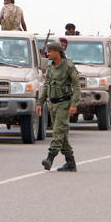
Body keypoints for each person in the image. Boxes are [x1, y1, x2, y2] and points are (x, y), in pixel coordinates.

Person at [36, 41, 81, 172]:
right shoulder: (50, 68)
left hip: (64, 103)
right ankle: (70, 162)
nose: (47, 54)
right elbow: (46, 86)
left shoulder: (68, 66)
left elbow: (77, 86)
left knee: (57, 132)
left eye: (50, 51)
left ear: (57, 52)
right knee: (61, 134)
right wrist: (40, 102)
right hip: (53, 104)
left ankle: (50, 158)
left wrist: (74, 104)